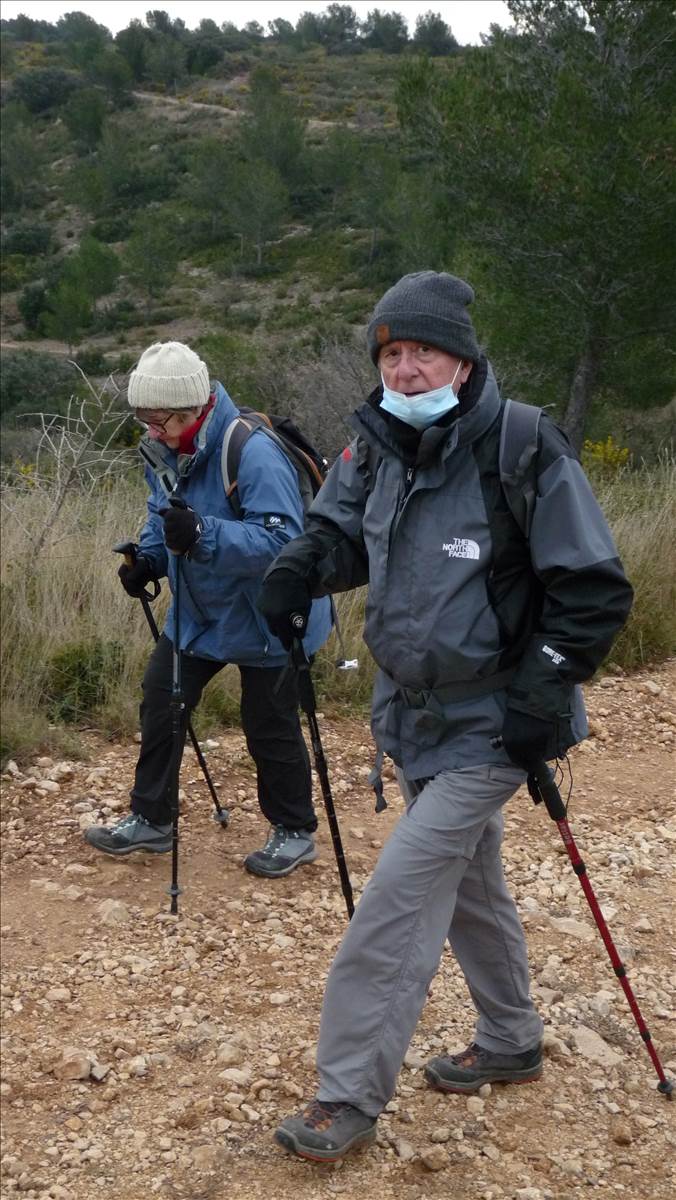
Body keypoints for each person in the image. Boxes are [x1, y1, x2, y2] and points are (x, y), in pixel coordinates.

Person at [255, 271, 633, 1161]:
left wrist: (544, 691)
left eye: (424, 349)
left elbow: (593, 586)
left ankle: (345, 1095)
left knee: (398, 902)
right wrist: (299, 566)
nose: (407, 366)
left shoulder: (522, 444)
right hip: (412, 717)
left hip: (499, 721)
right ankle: (511, 1039)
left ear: (463, 362)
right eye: (391, 352)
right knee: (470, 886)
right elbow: (343, 533)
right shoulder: (376, 444)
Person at [84, 340, 332, 878]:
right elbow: (162, 512)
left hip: (268, 614)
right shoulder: (164, 447)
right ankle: (152, 821)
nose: (151, 429)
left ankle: (293, 830)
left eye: (159, 418)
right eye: (144, 418)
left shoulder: (251, 450)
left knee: (268, 722)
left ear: (194, 408)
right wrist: (148, 559)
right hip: (201, 609)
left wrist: (203, 534)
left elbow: (283, 542)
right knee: (162, 701)